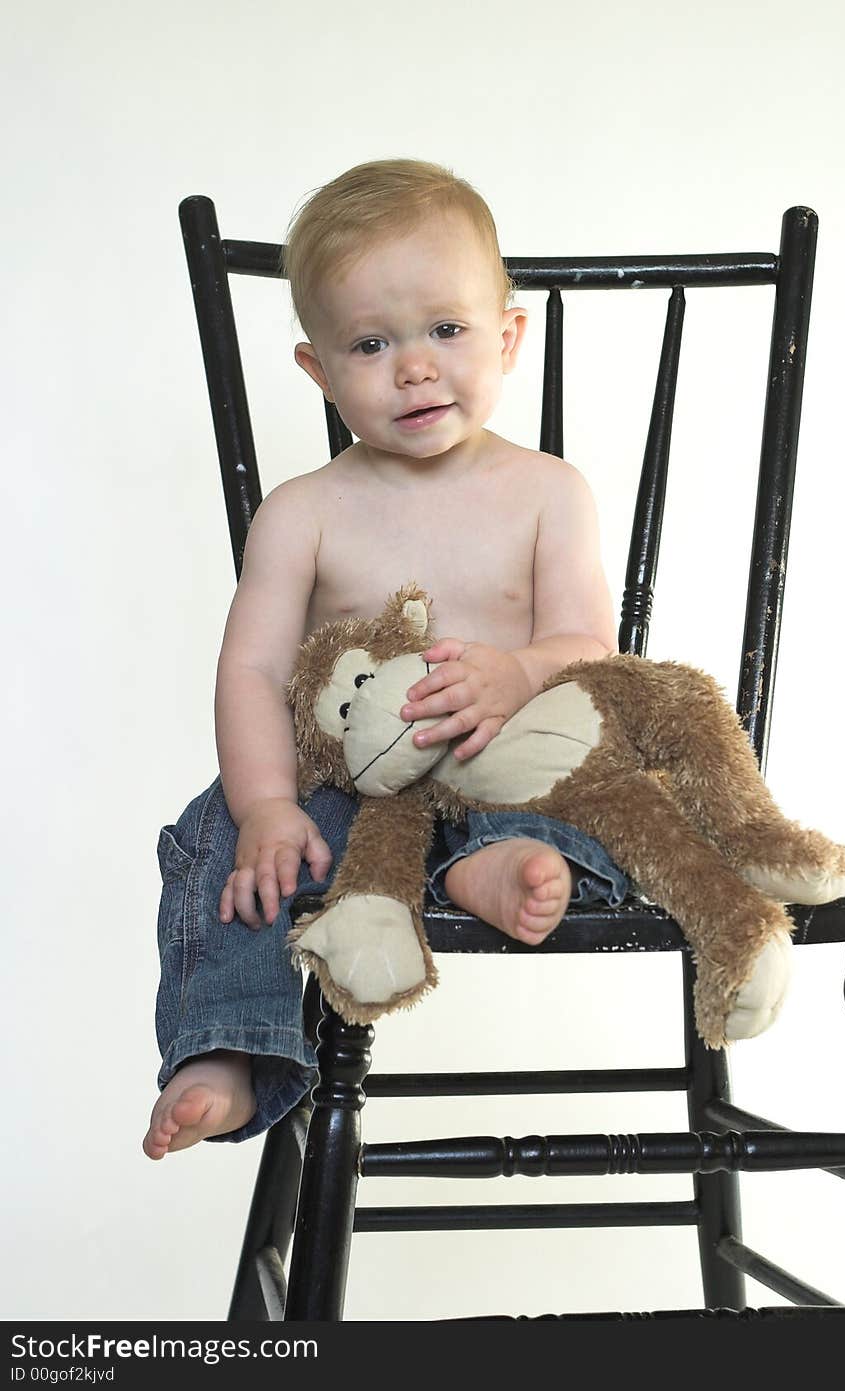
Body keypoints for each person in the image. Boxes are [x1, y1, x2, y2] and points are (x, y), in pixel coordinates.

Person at [143, 158, 628, 1160]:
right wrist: (270, 804)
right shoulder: (304, 512)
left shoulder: (549, 492)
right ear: (318, 371)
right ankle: (228, 1041)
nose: (414, 366)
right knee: (218, 835)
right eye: (371, 343)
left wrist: (520, 671)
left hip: (494, 751)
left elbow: (590, 645)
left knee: (574, 764)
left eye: (446, 330)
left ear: (507, 336)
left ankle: (486, 867)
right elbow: (250, 671)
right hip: (349, 782)